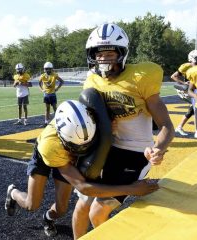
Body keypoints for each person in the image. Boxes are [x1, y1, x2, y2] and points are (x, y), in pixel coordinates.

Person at [72, 23, 175, 239]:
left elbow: (166, 125)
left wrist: (159, 148)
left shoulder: (141, 77)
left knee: (98, 212)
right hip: (104, 150)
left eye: (109, 53)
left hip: (135, 153)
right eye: (99, 54)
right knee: (82, 204)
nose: (104, 59)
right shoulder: (92, 81)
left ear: (122, 53)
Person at [4, 100, 158, 237]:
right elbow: (84, 188)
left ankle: (47, 218)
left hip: (65, 148)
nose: (83, 150)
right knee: (32, 205)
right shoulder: (51, 148)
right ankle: (13, 192)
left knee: (61, 210)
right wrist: (131, 189)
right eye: (77, 146)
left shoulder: (88, 115)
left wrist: (107, 126)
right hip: (47, 154)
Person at [171, 50, 197, 138]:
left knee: (192, 109)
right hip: (192, 90)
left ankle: (179, 127)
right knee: (196, 110)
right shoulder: (186, 66)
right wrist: (183, 83)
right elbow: (173, 76)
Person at [39, 62, 64, 127]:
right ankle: (46, 122)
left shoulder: (54, 75)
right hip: (46, 94)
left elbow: (62, 81)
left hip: (52, 94)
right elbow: (39, 83)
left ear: (51, 69)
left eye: (49, 69)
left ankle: (58, 121)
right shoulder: (42, 76)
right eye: (46, 69)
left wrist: (57, 88)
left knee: (55, 108)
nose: (47, 70)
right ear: (44, 69)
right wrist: (42, 89)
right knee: (47, 109)